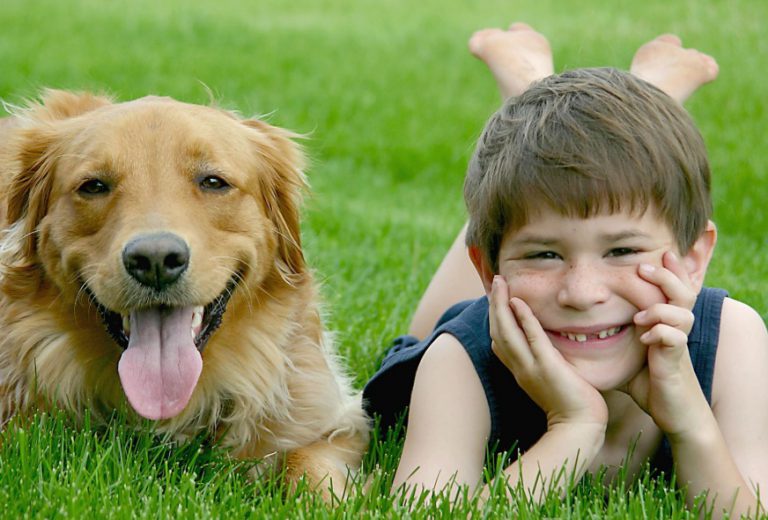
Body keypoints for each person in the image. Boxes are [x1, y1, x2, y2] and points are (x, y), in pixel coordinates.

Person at [363, 23, 767, 518]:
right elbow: (423, 515)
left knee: (557, 199)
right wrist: (574, 426)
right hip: (468, 334)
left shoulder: (735, 338)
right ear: (487, 271)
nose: (582, 292)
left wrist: (691, 422)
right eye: (544, 255)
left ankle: (631, 106)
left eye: (622, 250)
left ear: (693, 259)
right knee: (427, 332)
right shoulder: (456, 361)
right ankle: (545, 100)